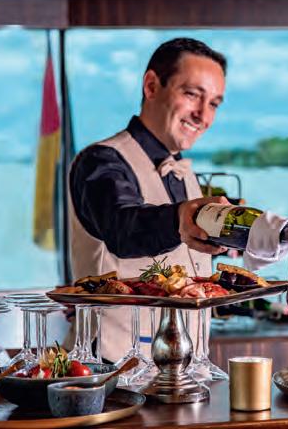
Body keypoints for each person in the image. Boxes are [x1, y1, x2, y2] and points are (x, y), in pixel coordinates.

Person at [66, 37, 229, 362]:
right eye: (192, 94)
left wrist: (252, 240)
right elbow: (123, 228)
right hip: (112, 370)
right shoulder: (101, 161)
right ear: (152, 86)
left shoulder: (183, 172)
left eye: (213, 103)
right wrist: (180, 219)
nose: (203, 116)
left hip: (187, 367)